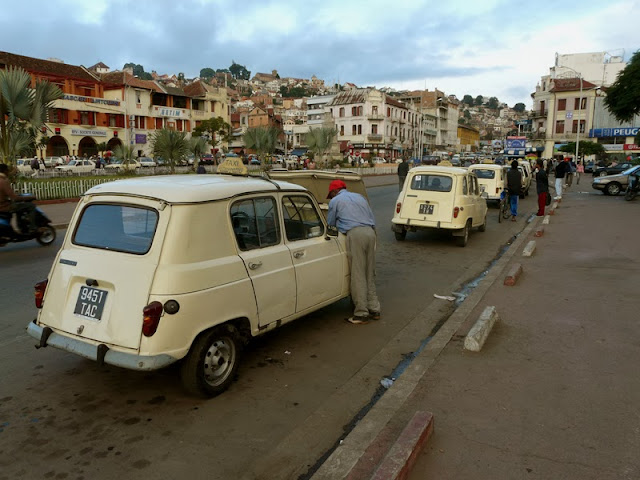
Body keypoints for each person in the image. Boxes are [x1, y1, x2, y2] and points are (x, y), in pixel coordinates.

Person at [326, 179, 380, 324]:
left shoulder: (335, 201)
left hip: (355, 234)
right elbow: (371, 217)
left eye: (330, 195)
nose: (331, 197)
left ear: (333, 192)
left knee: (358, 274)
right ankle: (374, 309)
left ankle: (361, 313)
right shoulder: (359, 197)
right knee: (369, 272)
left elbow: (330, 224)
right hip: (370, 233)